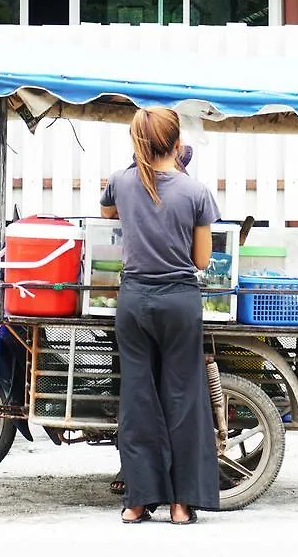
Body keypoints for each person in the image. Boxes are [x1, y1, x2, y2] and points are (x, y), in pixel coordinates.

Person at [99, 107, 221, 525]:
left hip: (133, 302)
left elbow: (107, 213)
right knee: (184, 398)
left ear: (139, 144)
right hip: (179, 302)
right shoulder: (195, 192)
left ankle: (137, 501)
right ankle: (182, 504)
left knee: (138, 398)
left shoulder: (121, 182)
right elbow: (201, 260)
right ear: (178, 143)